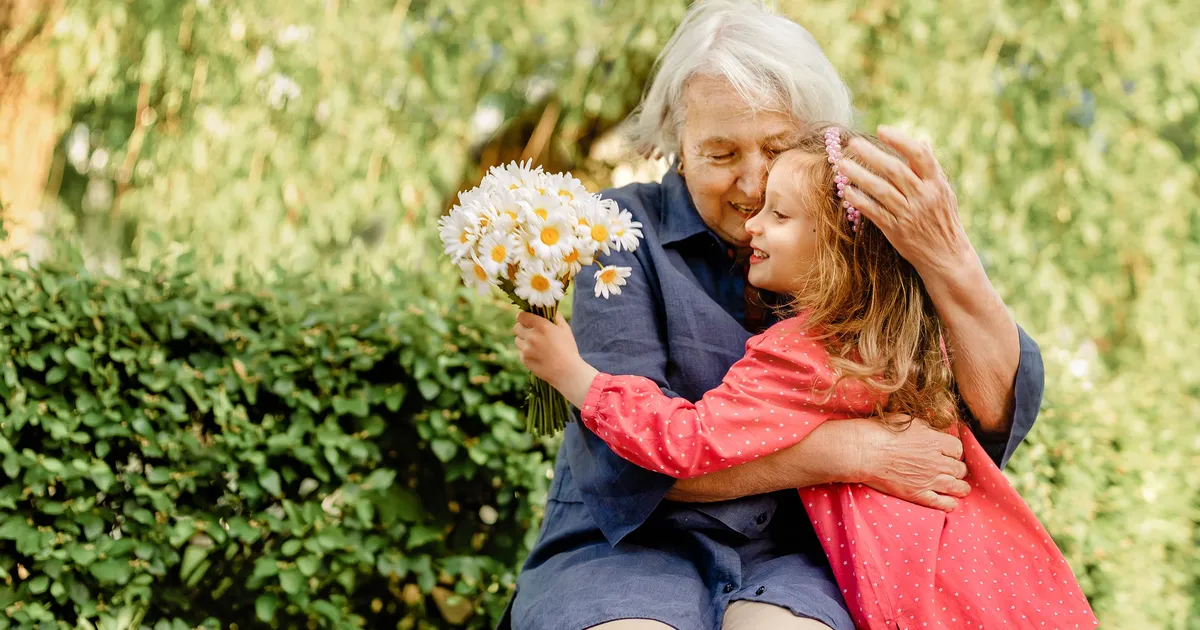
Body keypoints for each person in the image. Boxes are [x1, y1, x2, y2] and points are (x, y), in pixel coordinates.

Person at [500, 2, 1045, 628]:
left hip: (808, 552)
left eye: (779, 147)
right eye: (720, 153)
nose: (754, 184)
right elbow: (633, 457)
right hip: (632, 547)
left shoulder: (859, 237)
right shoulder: (618, 231)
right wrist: (845, 451)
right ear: (678, 144)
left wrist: (950, 261)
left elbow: (990, 412)